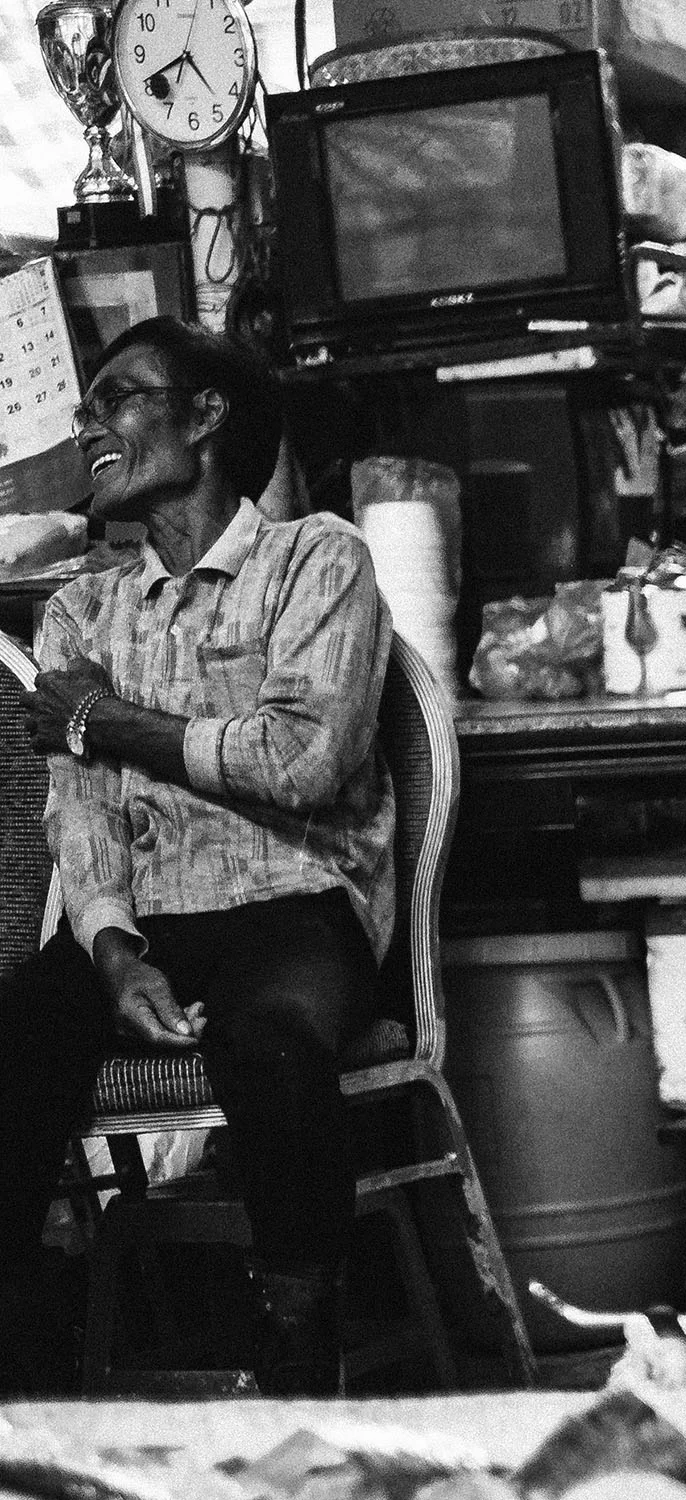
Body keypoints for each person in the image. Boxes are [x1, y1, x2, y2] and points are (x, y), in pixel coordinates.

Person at [0, 318, 393, 1392]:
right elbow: (78, 811)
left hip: (295, 902)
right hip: (151, 920)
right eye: (88, 408)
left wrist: (106, 720)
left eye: (118, 397)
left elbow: (303, 759)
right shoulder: (83, 608)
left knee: (271, 1041)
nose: (94, 427)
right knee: (14, 1038)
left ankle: (302, 1344)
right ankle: (21, 1366)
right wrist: (114, 950)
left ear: (208, 413)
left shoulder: (317, 558)